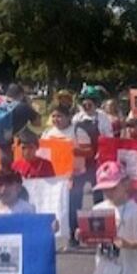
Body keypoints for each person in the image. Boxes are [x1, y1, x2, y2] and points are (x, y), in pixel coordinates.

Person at [43, 103, 94, 246]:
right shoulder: (48, 133)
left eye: (59, 116)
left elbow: (89, 152)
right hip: (55, 177)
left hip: (74, 175)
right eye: (53, 116)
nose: (56, 119)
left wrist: (72, 151)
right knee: (56, 205)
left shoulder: (77, 131)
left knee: (72, 205)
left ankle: (74, 235)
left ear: (68, 117)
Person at [0, 84, 41, 171]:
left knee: (5, 168)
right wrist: (31, 106)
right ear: (21, 95)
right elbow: (37, 123)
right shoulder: (23, 107)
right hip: (20, 142)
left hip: (3, 143)